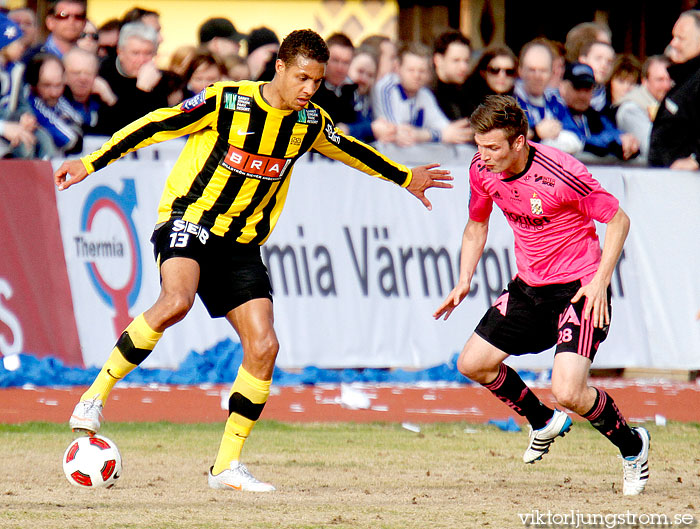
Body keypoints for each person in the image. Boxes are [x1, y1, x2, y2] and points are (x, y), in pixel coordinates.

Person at [55, 28, 452, 492]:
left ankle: (225, 466)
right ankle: (94, 396)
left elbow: (351, 152)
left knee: (264, 347)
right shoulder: (227, 101)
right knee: (177, 300)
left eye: (318, 82)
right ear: (279, 67)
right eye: (302, 77)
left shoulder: (309, 122)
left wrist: (406, 178)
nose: (309, 89)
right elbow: (156, 123)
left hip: (241, 243)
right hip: (191, 217)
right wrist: (92, 161)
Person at [434, 94, 649, 497]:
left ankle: (633, 446)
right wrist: (464, 278)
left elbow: (618, 219)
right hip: (529, 287)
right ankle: (543, 421)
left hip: (578, 289)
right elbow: (476, 225)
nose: (484, 156)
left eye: (493, 147)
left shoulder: (561, 172)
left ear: (519, 142)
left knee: (568, 391)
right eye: (479, 147)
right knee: (472, 363)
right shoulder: (482, 169)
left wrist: (601, 281)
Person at [373, 41, 471, 146]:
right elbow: (396, 133)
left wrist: (424, 135)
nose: (417, 76)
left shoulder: (424, 94)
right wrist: (433, 135)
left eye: (422, 71)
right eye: (411, 70)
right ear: (398, 67)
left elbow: (446, 129)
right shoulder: (386, 88)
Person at [97, 22, 171, 135]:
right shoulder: (103, 73)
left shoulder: (158, 78)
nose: (141, 60)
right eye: (135, 53)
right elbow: (118, 129)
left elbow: (155, 127)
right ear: (120, 52)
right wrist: (141, 91)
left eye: (148, 53)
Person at [555, 62, 639, 160]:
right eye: (577, 88)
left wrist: (628, 141)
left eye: (588, 88)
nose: (582, 95)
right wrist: (614, 142)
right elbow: (578, 140)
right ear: (562, 87)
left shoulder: (594, 115)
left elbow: (613, 132)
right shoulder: (554, 112)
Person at [649, 10, 700, 170]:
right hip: (666, 183)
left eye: (681, 38)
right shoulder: (685, 79)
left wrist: (696, 160)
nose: (673, 44)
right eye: (673, 37)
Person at [25, 52, 83, 155]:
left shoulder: (60, 98)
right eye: (46, 85)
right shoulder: (30, 103)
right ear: (33, 85)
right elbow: (70, 140)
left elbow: (81, 122)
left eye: (59, 85)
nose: (54, 93)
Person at [616, 55, 672, 159]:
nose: (666, 85)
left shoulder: (672, 103)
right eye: (660, 80)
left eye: (670, 79)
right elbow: (653, 148)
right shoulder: (631, 109)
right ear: (645, 81)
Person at [514, 39, 568, 145]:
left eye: (543, 70)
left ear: (551, 73)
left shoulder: (555, 103)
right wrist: (537, 133)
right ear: (520, 71)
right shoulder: (509, 102)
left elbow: (576, 137)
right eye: (532, 70)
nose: (537, 76)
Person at [63, 47, 115, 134]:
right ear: (64, 75)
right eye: (76, 73)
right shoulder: (57, 102)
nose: (83, 78)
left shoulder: (101, 100)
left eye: (88, 73)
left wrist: (110, 99)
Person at [310, 32, 356, 126]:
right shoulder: (311, 90)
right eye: (335, 60)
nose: (340, 68)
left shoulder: (352, 90)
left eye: (346, 62)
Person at [462, 44, 518, 117]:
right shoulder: (466, 103)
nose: (502, 76)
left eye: (509, 71)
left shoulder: (519, 104)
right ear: (483, 72)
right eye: (495, 70)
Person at [431, 30, 473, 121]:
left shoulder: (468, 94)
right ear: (438, 60)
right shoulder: (426, 95)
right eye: (456, 60)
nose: (463, 67)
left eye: (466, 61)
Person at [577, 40, 615, 111]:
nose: (604, 65)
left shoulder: (612, 106)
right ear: (582, 60)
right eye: (598, 58)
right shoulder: (564, 98)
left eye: (609, 62)